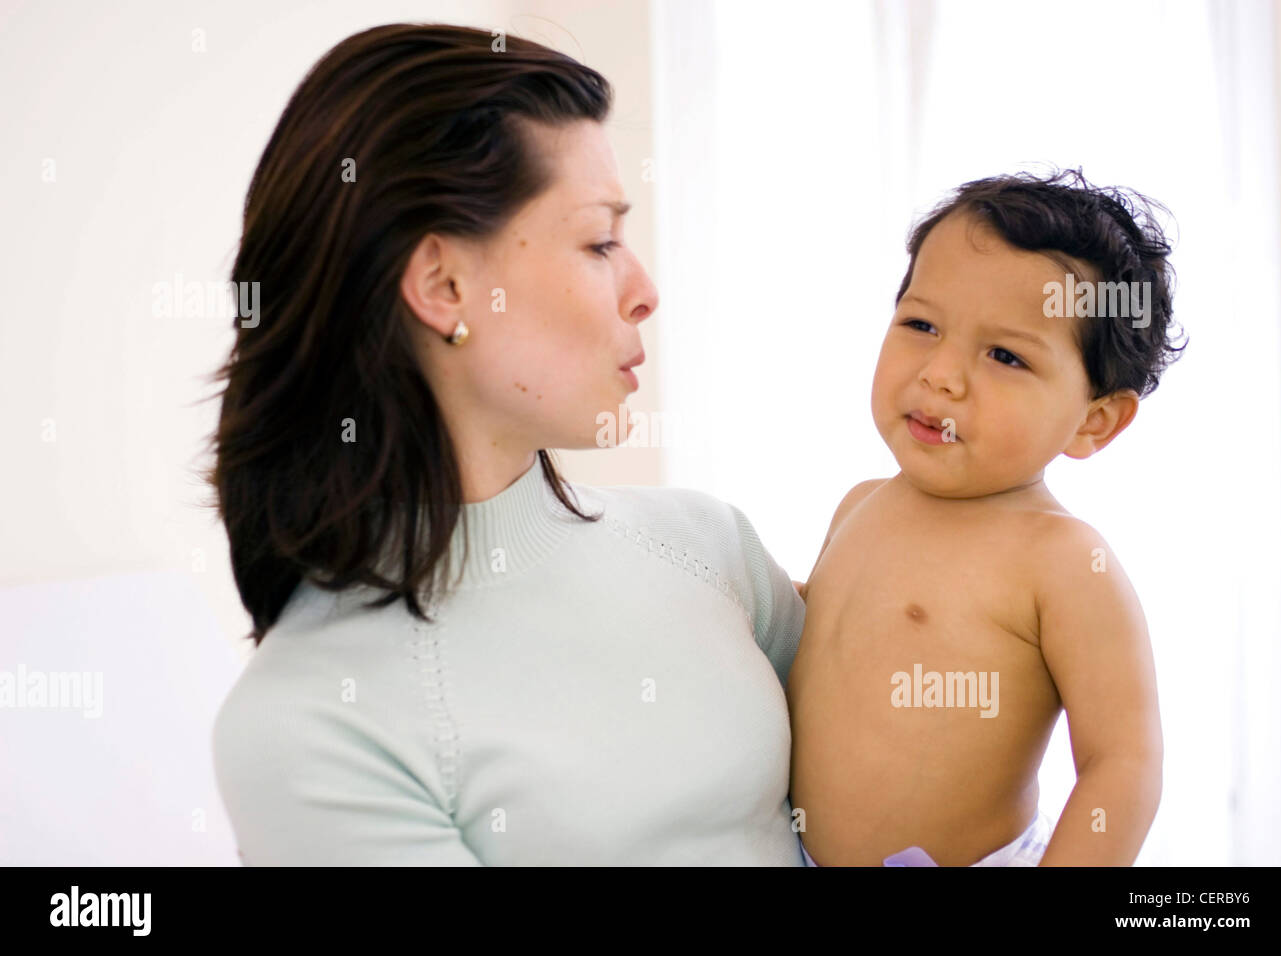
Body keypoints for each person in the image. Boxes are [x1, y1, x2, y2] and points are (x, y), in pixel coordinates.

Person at [208, 23, 805, 865]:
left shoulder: (713, 548)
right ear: (447, 288)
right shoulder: (310, 727)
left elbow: (921, 799)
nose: (645, 291)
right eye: (600, 241)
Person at [789, 170, 1184, 866]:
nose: (941, 373)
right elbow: (825, 648)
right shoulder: (859, 504)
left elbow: (1124, 762)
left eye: (1004, 355)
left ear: (1093, 420)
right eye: (921, 323)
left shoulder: (1061, 560)